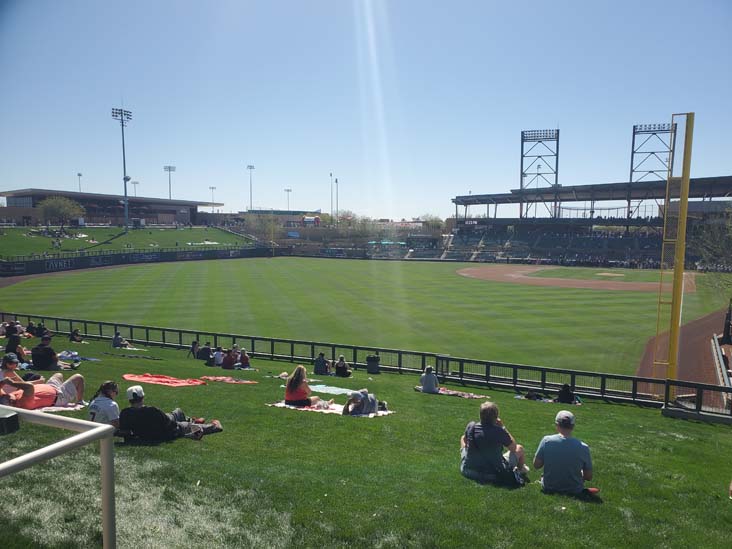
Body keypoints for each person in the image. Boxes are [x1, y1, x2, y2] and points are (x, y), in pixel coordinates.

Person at [118, 385, 223, 442]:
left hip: (145, 436)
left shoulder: (124, 413)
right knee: (180, 417)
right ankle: (213, 426)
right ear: (143, 397)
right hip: (166, 433)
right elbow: (171, 424)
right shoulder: (152, 410)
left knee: (177, 412)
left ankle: (191, 420)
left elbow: (124, 432)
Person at [460, 401, 528, 485]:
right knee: (519, 448)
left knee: (463, 438)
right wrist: (503, 427)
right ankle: (520, 470)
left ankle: (469, 459)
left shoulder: (471, 426)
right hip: (492, 473)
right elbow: (513, 448)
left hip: (468, 470)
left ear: (480, 415)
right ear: (496, 417)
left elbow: (466, 441)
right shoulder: (498, 431)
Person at [533, 410, 593, 495]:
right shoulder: (584, 447)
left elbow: (536, 465)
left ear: (556, 425)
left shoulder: (547, 441)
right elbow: (588, 477)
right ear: (573, 426)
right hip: (574, 489)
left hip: (549, 486)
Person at [0, 353, 85, 409]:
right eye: (7, 397)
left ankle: (65, 389)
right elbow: (29, 387)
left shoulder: (7, 397)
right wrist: (11, 383)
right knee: (78, 377)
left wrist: (3, 382)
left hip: (50, 387)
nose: (6, 396)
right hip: (58, 397)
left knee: (58, 375)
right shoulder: (23, 403)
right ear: (11, 403)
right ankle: (79, 402)